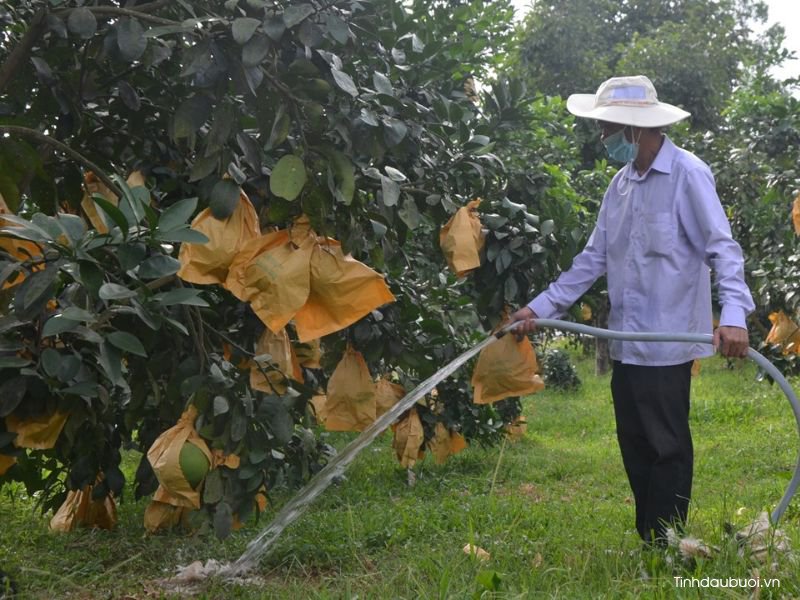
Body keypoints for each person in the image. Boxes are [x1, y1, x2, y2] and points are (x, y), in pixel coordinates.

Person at [510, 75, 755, 544]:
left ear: (634, 128)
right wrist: (538, 308)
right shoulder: (619, 186)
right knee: (635, 444)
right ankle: (652, 540)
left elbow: (722, 248)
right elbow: (592, 259)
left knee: (667, 447)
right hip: (625, 342)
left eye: (606, 128)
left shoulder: (688, 174)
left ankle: (667, 542)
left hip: (667, 342)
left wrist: (733, 316)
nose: (602, 137)